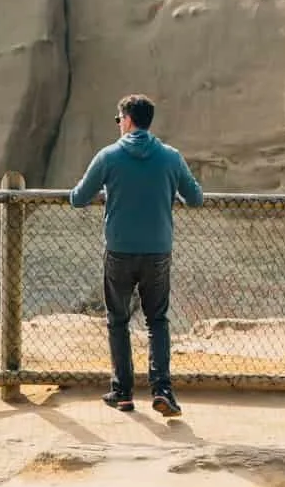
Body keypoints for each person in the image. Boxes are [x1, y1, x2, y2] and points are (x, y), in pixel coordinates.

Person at [68, 94, 203, 418]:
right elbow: (195, 198)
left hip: (119, 251)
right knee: (157, 320)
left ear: (127, 120)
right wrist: (166, 194)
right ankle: (163, 391)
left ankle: (123, 392)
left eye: (119, 120)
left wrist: (108, 193)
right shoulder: (171, 157)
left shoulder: (108, 156)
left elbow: (78, 198)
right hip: (158, 251)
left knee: (118, 320)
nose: (118, 125)